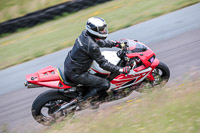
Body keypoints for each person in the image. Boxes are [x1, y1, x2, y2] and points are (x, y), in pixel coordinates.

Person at [64, 17, 130, 105]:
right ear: (94, 30)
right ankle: (86, 102)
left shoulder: (85, 34)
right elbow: (104, 64)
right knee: (105, 84)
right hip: (77, 73)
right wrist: (120, 69)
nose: (104, 31)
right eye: (101, 29)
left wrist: (116, 43)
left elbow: (99, 42)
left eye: (104, 29)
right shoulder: (92, 46)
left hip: (71, 65)